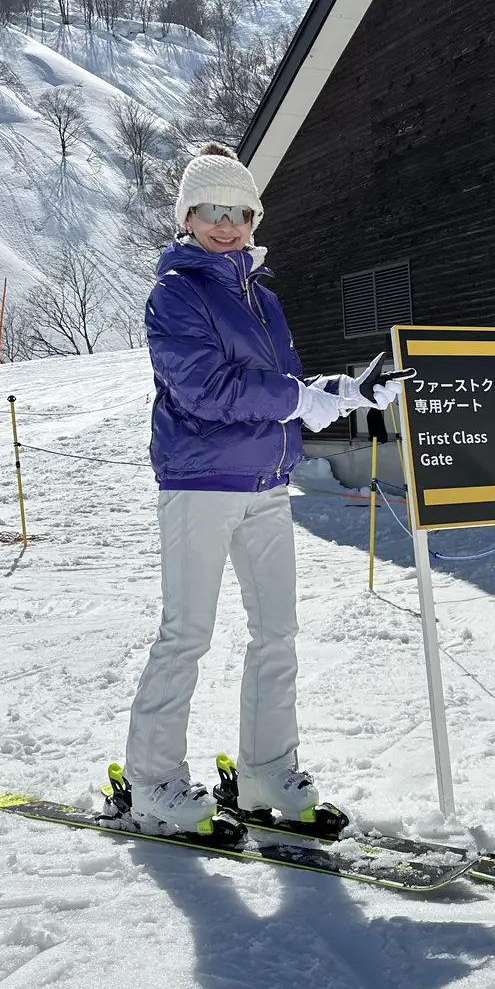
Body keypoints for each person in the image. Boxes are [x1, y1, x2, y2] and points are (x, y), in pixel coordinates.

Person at [124, 141, 402, 834]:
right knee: (186, 634)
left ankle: (265, 773)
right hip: (201, 482)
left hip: (267, 484)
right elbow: (205, 389)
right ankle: (154, 783)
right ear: (187, 216)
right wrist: (300, 400)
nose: (226, 224)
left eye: (239, 212)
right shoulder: (176, 294)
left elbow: (284, 391)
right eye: (211, 211)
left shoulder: (264, 299)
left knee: (277, 633)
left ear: (254, 219)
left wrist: (340, 392)